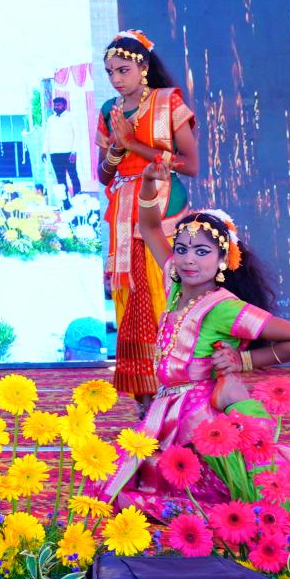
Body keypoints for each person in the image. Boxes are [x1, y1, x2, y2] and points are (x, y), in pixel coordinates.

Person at [102, 208, 290, 508]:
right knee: (116, 484)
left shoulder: (224, 307)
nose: (188, 259)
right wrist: (150, 186)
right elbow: (150, 226)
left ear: (222, 259)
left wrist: (243, 361)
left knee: (180, 494)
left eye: (202, 252)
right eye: (181, 249)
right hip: (165, 409)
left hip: (199, 417)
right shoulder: (175, 287)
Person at [97, 30, 197, 402]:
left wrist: (133, 144)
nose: (116, 79)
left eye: (123, 70)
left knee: (164, 293)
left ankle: (176, 388)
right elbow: (104, 175)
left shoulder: (168, 103)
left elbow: (191, 164)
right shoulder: (108, 111)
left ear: (143, 67)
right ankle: (145, 398)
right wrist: (116, 152)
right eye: (110, 72)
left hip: (162, 208)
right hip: (123, 215)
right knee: (131, 299)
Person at [40, 94, 84, 203]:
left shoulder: (72, 117)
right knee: (60, 179)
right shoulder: (51, 119)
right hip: (55, 153)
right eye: (55, 105)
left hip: (68, 153)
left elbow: (77, 135)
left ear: (65, 106)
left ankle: (78, 201)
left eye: (58, 105)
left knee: (73, 176)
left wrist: (74, 152)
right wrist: (44, 151)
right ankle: (65, 203)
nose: (56, 107)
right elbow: (47, 136)